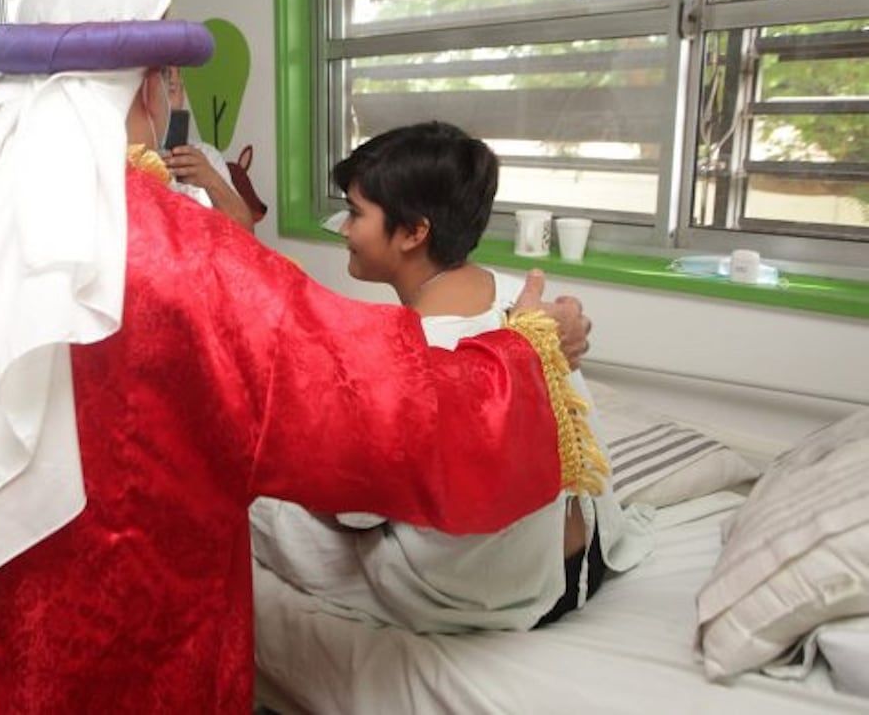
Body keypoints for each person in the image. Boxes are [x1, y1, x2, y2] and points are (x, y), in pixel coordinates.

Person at [0, 0, 596, 712]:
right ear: (146, 87)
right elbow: (371, 402)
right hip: (135, 659)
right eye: (168, 82)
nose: (173, 101)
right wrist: (527, 350)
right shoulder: (182, 256)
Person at [251, 121, 653, 634]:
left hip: (505, 590)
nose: (343, 229)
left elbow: (355, 511)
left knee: (255, 499)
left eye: (355, 213)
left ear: (415, 232)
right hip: (586, 557)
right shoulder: (525, 305)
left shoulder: (415, 356)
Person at [158, 66, 255, 231]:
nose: (165, 103)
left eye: (174, 87)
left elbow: (247, 232)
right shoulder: (120, 157)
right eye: (160, 88)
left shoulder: (206, 156)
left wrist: (210, 180)